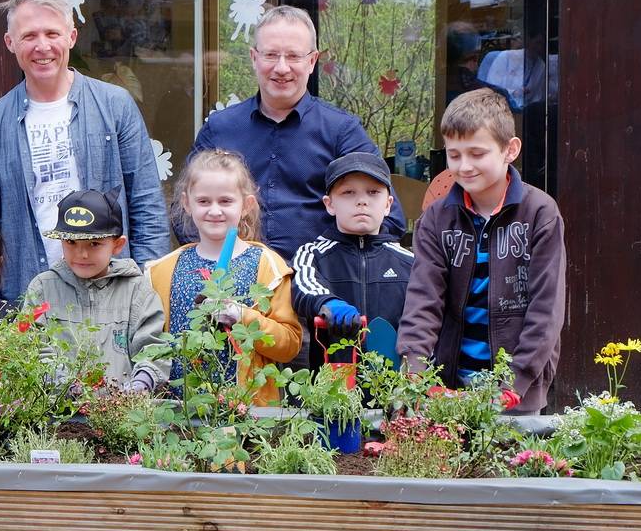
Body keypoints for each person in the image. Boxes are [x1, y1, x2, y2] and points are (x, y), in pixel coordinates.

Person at [0, 0, 169, 303]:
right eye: (29, 36)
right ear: (10, 43)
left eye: (52, 33)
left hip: (113, 296)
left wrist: (147, 291)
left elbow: (146, 205)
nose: (42, 46)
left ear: (71, 37)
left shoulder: (114, 105)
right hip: (28, 297)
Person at [187, 5, 406, 263]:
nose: (281, 68)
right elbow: (186, 214)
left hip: (322, 289)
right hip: (231, 285)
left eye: (293, 56)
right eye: (271, 55)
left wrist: (334, 270)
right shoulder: (219, 129)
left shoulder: (342, 131)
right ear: (254, 58)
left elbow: (389, 218)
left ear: (312, 61)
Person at [396, 88, 566, 415]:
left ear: (509, 150)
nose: (464, 166)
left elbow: (546, 312)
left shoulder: (540, 213)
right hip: (448, 387)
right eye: (454, 154)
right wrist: (414, 376)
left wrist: (513, 385)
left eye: (477, 153)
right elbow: (422, 301)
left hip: (517, 394)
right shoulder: (436, 218)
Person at [147, 150, 301, 405]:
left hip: (246, 414)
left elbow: (289, 345)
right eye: (204, 201)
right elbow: (149, 342)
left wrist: (244, 318)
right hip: (177, 411)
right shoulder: (162, 270)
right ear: (187, 203)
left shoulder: (267, 265)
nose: (215, 210)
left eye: (226, 201)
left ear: (246, 205)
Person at [25, 188, 169, 391]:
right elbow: (33, 348)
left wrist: (141, 384)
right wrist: (65, 387)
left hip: (124, 414)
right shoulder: (42, 288)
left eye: (94, 243)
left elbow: (153, 349)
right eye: (71, 242)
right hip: (59, 415)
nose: (82, 254)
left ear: (117, 245)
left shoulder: (137, 290)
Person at [292, 152, 414, 366]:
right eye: (348, 192)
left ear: (388, 204)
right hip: (331, 388)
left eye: (373, 192)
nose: (362, 201)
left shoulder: (410, 262)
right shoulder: (312, 254)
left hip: (393, 391)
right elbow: (303, 286)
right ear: (330, 204)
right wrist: (328, 303)